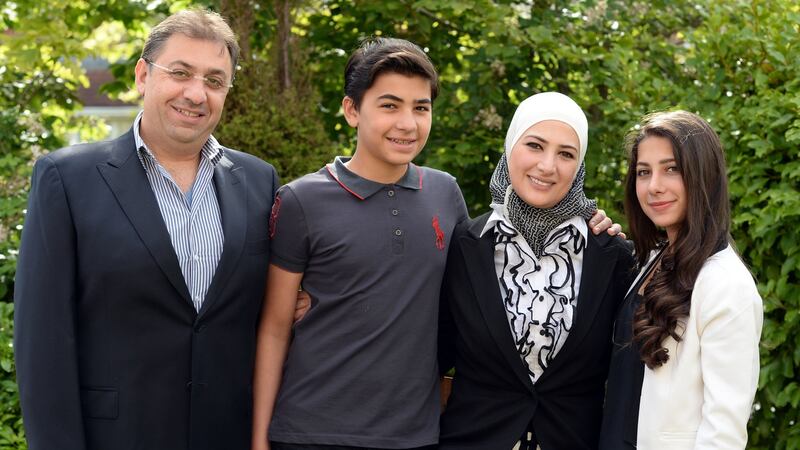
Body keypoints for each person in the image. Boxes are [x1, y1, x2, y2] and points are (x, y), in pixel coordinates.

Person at [14, 9, 280, 450]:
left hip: (225, 434)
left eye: (215, 81)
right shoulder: (67, 179)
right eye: (180, 73)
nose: (196, 93)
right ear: (143, 75)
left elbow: (268, 309)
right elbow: (42, 342)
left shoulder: (259, 181)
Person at [437, 92, 635, 449]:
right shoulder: (465, 245)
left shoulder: (613, 256)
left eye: (566, 154)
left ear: (579, 166)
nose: (547, 165)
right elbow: (432, 353)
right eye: (535, 145)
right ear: (510, 146)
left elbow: (627, 377)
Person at [599, 111, 763, 449]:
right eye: (644, 172)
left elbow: (724, 434)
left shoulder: (725, 284)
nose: (654, 186)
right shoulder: (650, 260)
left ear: (704, 175)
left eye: (671, 169)